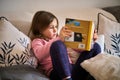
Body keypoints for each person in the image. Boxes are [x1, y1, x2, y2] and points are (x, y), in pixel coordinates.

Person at [28, 11, 101, 80]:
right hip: (57, 73)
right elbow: (40, 54)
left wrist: (90, 41)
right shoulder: (37, 41)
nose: (55, 30)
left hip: (72, 70)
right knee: (57, 44)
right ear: (40, 29)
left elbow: (77, 49)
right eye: (51, 27)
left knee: (95, 46)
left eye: (56, 26)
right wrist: (59, 38)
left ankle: (95, 75)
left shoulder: (61, 39)